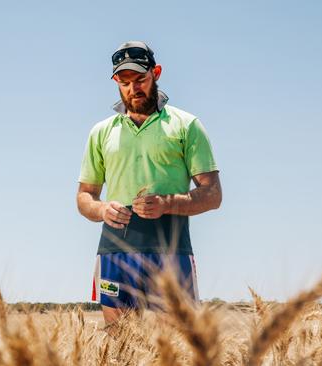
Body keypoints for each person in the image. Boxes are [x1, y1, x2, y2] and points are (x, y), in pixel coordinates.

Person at [76, 41, 222, 326]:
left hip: (171, 247)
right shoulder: (100, 132)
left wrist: (167, 204)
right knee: (119, 345)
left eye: (140, 79)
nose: (133, 88)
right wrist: (102, 209)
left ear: (156, 73)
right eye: (124, 82)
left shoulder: (186, 125)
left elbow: (213, 194)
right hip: (115, 249)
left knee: (178, 343)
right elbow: (84, 197)